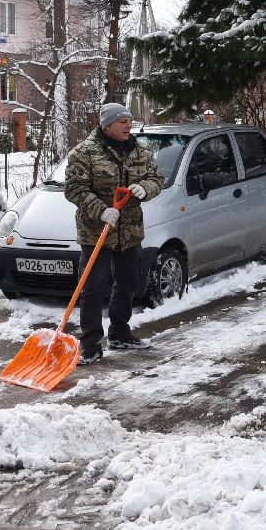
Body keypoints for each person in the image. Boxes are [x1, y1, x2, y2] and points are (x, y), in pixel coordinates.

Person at [63, 103, 166, 365]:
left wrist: (146, 188)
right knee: (93, 288)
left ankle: (120, 332)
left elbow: (157, 178)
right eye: (123, 122)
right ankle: (90, 344)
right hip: (96, 231)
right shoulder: (84, 153)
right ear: (107, 125)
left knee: (129, 282)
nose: (129, 126)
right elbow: (74, 189)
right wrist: (101, 210)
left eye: (130, 121)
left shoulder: (140, 151)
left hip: (129, 231)